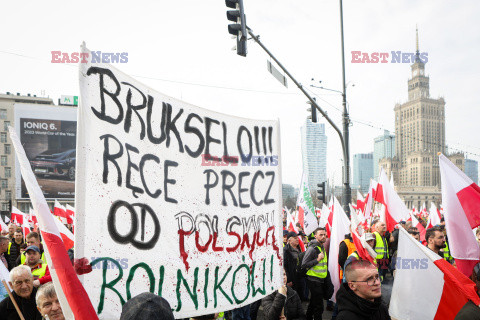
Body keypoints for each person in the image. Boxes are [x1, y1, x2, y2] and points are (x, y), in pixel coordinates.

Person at [301, 227, 333, 320]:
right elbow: (304, 265)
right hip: (314, 280)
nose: (323, 236)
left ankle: (308, 317)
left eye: (324, 235)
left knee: (314, 302)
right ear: (315, 236)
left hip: (320, 279)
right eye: (321, 235)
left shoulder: (321, 246)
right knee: (319, 306)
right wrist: (317, 259)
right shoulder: (312, 249)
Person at [283, 231, 305, 299]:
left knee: (299, 296)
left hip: (299, 277)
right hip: (291, 279)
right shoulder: (285, 251)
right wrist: (288, 280)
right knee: (292, 298)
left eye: (297, 238)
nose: (297, 239)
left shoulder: (299, 249)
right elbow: (285, 266)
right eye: (295, 238)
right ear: (289, 240)